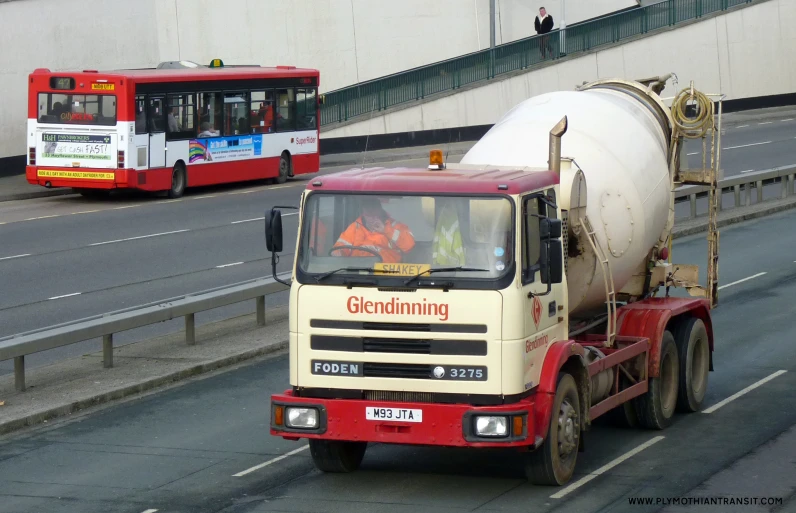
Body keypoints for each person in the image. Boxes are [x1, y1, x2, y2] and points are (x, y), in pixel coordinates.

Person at [331, 197, 415, 263]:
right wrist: (339, 252)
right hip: (357, 272)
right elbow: (341, 245)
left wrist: (386, 230)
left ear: (381, 212)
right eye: (368, 215)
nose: (372, 219)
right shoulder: (355, 227)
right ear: (363, 213)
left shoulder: (396, 226)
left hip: (387, 273)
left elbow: (409, 246)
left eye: (374, 215)